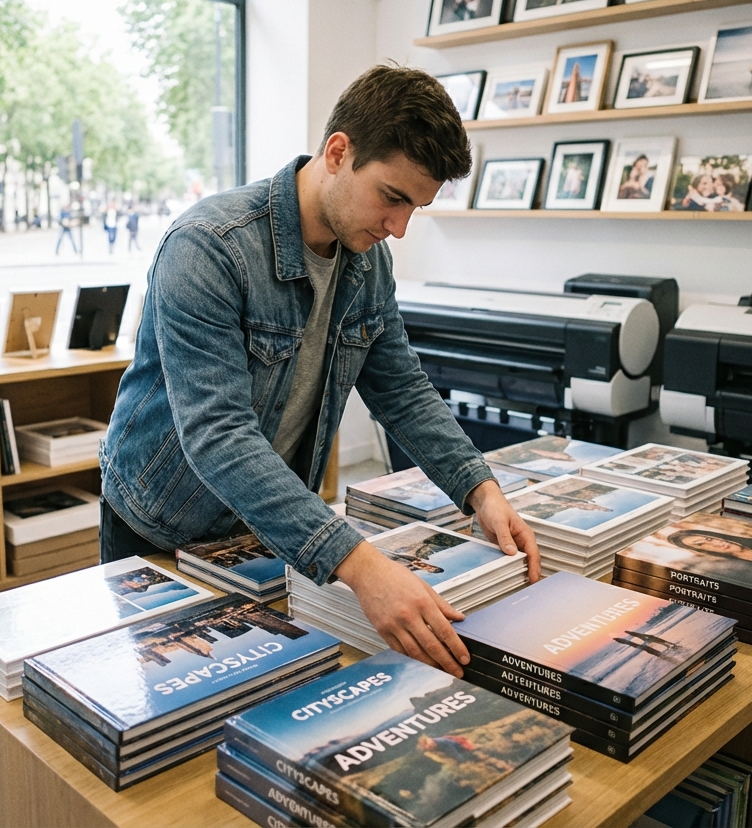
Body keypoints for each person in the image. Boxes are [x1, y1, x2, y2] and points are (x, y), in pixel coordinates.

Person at [98, 66, 539, 679]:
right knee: (172, 714)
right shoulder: (207, 246)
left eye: (416, 207)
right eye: (392, 197)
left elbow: (403, 390)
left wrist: (479, 489)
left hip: (270, 524)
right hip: (165, 523)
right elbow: (218, 436)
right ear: (338, 152)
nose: (399, 228)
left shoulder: (368, 261)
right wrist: (359, 565)